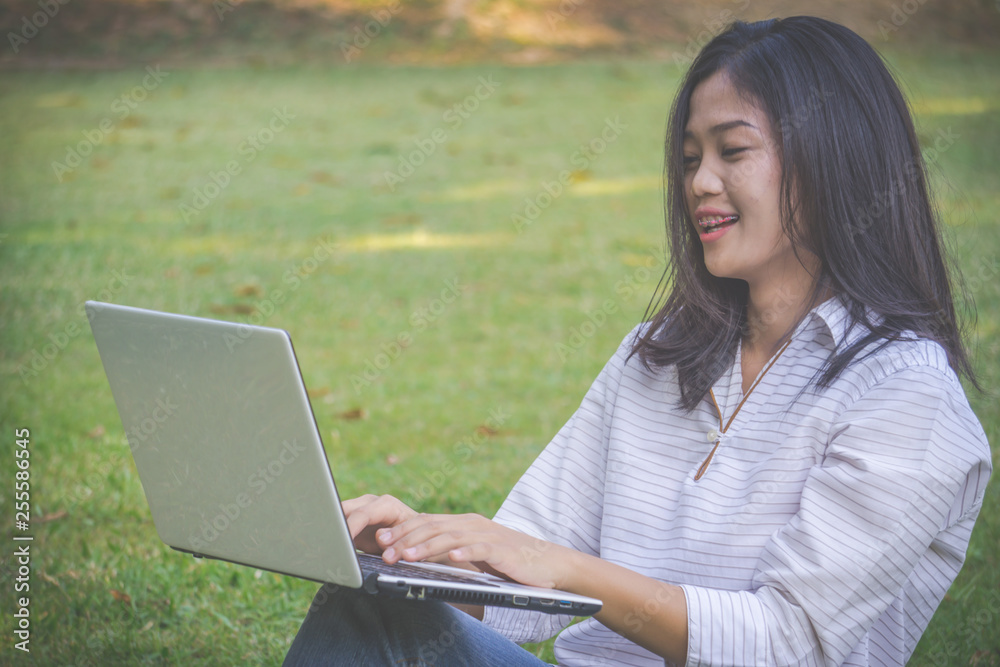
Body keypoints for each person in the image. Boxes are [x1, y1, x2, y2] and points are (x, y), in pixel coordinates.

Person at [283, 16, 991, 666]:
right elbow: (524, 575)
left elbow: (789, 643)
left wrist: (565, 569)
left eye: (733, 150)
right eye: (689, 158)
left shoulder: (908, 397)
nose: (700, 182)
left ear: (834, 158)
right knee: (369, 605)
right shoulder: (659, 354)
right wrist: (417, 556)